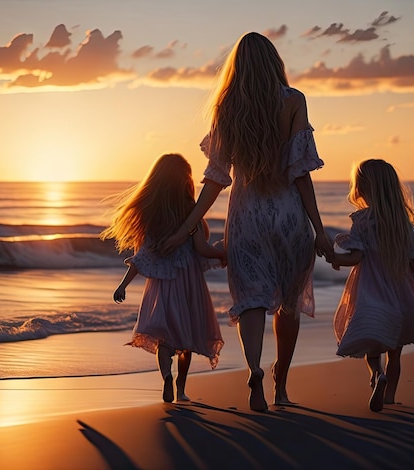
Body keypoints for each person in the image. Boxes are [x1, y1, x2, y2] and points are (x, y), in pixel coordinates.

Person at [161, 32, 334, 411]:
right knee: (289, 304)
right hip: (288, 214)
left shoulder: (227, 107)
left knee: (251, 301)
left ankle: (254, 368)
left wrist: (186, 228)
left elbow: (216, 179)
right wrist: (320, 231)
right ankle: (282, 386)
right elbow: (301, 172)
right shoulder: (293, 101)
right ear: (274, 62)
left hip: (247, 217)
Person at [101, 153, 226, 403]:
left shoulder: (153, 218)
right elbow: (202, 249)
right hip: (189, 285)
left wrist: (123, 285)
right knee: (186, 338)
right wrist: (224, 252)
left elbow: (141, 258)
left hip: (162, 286)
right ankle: (180, 389)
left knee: (165, 339)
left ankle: (166, 376)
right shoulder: (191, 214)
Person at [329, 158, 414, 412]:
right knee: (395, 350)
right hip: (401, 291)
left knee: (373, 344)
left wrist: (335, 258)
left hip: (370, 289)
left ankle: (377, 375)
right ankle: (389, 396)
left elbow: (356, 257)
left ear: (363, 189)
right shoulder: (401, 221)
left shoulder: (363, 221)